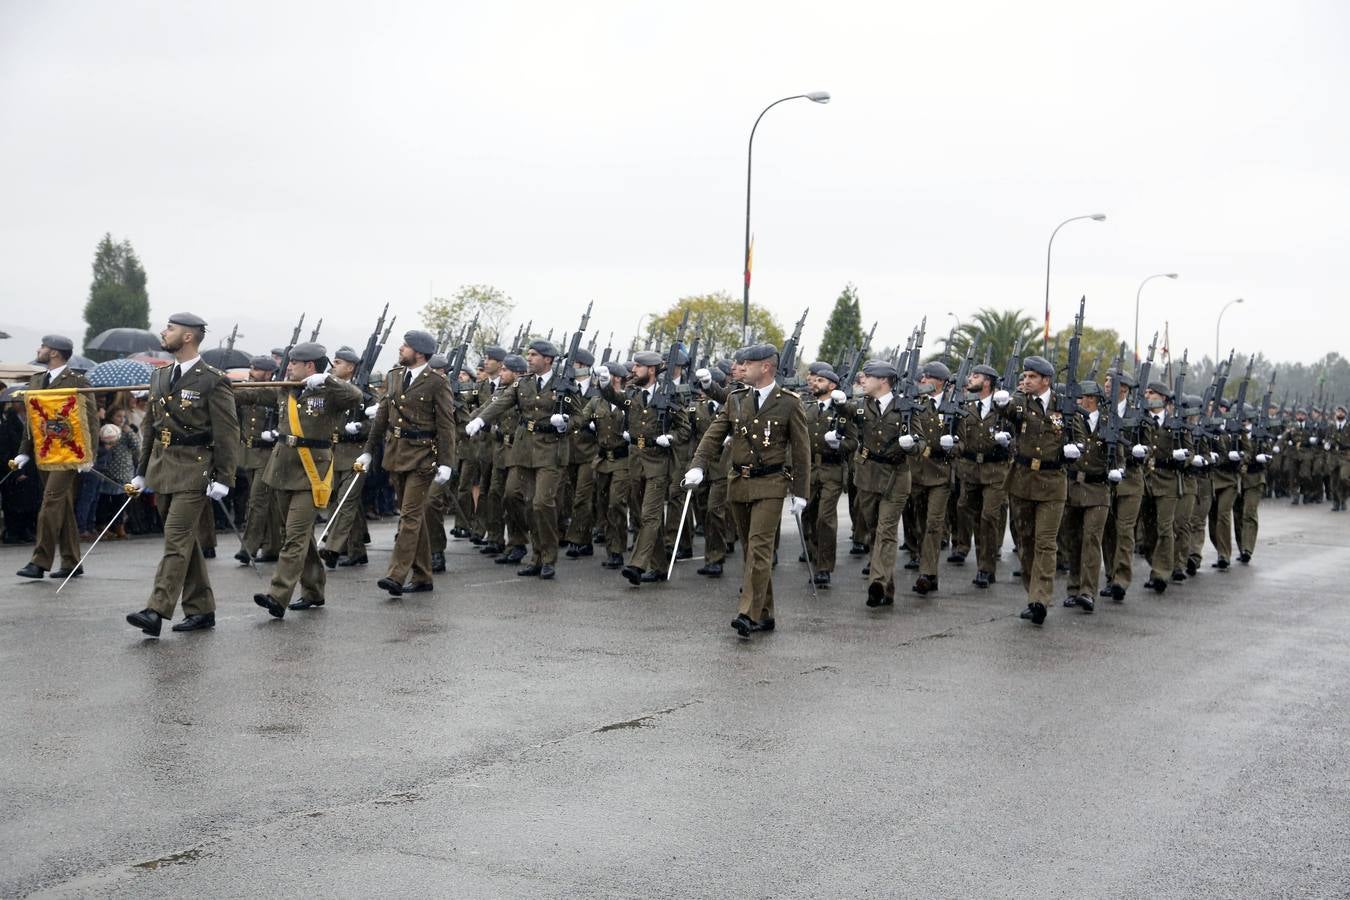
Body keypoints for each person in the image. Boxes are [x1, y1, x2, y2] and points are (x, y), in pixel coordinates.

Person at [124, 313, 241, 636]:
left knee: (175, 540)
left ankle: (156, 610)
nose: (164, 332)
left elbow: (228, 432)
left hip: (195, 468)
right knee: (184, 542)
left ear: (188, 337)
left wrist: (225, 477)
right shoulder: (160, 376)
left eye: (171, 328)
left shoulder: (212, 379)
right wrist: (141, 471)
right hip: (162, 469)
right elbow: (150, 429)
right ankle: (201, 609)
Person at [683, 343, 810, 639]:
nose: (740, 368)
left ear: (765, 367)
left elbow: (802, 453)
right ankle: (765, 612)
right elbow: (714, 435)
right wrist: (698, 465)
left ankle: (747, 613)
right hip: (738, 482)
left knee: (760, 548)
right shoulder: (736, 399)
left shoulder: (789, 403)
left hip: (771, 484)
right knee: (750, 551)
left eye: (747, 363)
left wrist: (801, 493)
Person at [252, 342, 363, 616]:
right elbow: (251, 394)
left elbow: (356, 396)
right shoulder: (285, 389)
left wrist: (327, 379)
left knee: (295, 536)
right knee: (297, 535)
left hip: (312, 470)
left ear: (310, 366)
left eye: (294, 363)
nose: (288, 367)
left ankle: (278, 595)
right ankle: (313, 590)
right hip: (281, 468)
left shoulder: (330, 390)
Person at [465, 340, 582, 580]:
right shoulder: (522, 383)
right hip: (525, 449)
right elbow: (500, 403)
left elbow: (579, 417)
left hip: (551, 451)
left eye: (534, 355)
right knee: (524, 502)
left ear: (548, 359)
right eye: (528, 354)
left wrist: (566, 424)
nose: (529, 358)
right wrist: (481, 420)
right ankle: (536, 555)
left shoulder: (564, 385)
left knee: (542, 503)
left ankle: (548, 557)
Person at [356, 330, 456, 597]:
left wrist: (447, 462)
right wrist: (368, 451)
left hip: (423, 456)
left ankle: (396, 575)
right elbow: (382, 418)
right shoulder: (394, 376)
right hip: (396, 454)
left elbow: (446, 425)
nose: (401, 349)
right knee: (414, 518)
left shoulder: (436, 381)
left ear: (419, 353)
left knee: (409, 516)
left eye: (406, 346)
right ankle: (423, 576)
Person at [991, 355, 1078, 626]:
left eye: (1031, 377)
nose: (1025, 381)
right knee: (1025, 542)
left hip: (1053, 482)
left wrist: (1077, 450)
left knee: (1045, 542)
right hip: (1023, 480)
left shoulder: (1064, 405)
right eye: (1024, 376)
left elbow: (1080, 435)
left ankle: (1039, 599)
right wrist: (1002, 404)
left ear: (1046, 381)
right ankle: (1033, 591)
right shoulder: (1020, 401)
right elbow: (1011, 412)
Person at [594, 349, 690, 586]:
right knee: (640, 515)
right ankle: (659, 567)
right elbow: (616, 398)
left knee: (649, 514)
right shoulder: (634, 394)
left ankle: (637, 564)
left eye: (638, 366)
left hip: (658, 461)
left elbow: (685, 429)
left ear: (652, 370)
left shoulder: (670, 396)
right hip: (636, 459)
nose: (633, 370)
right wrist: (605, 385)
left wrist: (671, 437)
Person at [10, 334, 99, 580]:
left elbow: (90, 420)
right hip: (45, 452)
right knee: (63, 506)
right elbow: (33, 421)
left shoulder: (77, 381)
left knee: (50, 502)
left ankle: (40, 561)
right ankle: (72, 561)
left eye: (43, 347)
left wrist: (89, 455)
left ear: (54, 353)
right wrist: (23, 452)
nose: (39, 350)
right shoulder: (37, 380)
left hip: (70, 454)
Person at [955, 363, 1010, 589]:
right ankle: (982, 565)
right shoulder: (968, 408)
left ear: (987, 382)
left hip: (995, 471)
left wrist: (1009, 442)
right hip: (971, 471)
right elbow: (960, 439)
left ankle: (987, 569)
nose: (970, 379)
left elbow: (1019, 438)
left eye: (975, 376)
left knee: (989, 517)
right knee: (974, 517)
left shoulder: (1003, 407)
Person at [799, 365, 854, 588]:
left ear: (832, 386)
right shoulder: (807, 410)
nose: (815, 383)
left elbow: (854, 442)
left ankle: (824, 567)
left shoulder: (843, 411)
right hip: (810, 469)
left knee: (825, 518)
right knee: (808, 516)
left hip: (831, 470)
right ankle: (814, 553)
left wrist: (839, 444)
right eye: (815, 380)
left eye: (820, 381)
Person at [1060, 381, 1110, 613]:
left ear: (1092, 399)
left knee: (1092, 539)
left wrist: (1118, 468)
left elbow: (1119, 453)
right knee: (1074, 539)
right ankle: (1073, 587)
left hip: (1098, 488)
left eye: (1082, 397)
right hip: (1073, 485)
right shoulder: (1072, 421)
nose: (1078, 401)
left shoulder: (1109, 422)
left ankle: (1088, 591)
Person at [322, 345, 371, 567]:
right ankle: (357, 550)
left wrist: (361, 425)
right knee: (339, 500)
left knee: (346, 501)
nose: (334, 366)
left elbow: (379, 422)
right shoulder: (332, 391)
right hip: (334, 452)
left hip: (356, 454)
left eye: (338, 362)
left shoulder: (367, 394)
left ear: (350, 367)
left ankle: (333, 548)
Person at [234, 356, 283, 565]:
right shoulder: (248, 388)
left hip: (269, 455)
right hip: (248, 454)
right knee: (268, 503)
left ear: (269, 373)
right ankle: (273, 547)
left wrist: (276, 432)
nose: (252, 371)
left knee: (257, 501)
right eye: (252, 368)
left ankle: (249, 548)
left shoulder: (277, 391)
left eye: (257, 369)